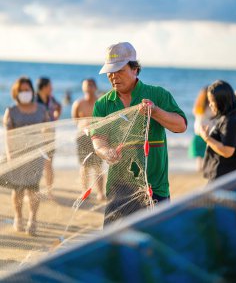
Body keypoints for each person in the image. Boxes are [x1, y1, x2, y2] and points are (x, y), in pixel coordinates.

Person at [92, 42, 187, 225]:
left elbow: (180, 126)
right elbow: (98, 140)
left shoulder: (157, 94)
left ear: (135, 69)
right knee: (115, 246)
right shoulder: (103, 104)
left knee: (155, 246)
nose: (113, 76)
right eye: (110, 72)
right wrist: (105, 152)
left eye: (119, 70)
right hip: (118, 187)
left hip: (154, 188)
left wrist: (156, 111)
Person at [3, 77, 50, 236]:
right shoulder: (11, 110)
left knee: (33, 189)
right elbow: (8, 136)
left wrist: (46, 149)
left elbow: (48, 129)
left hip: (36, 156)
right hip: (17, 156)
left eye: (27, 90)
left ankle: (33, 219)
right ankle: (18, 216)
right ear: (16, 92)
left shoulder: (41, 109)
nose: (25, 93)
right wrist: (10, 156)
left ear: (32, 91)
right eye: (21, 90)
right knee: (18, 189)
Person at [199, 80, 236, 182]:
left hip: (224, 177)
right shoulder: (230, 116)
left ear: (221, 101)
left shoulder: (231, 120)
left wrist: (206, 138)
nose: (210, 105)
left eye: (212, 101)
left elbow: (228, 151)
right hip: (223, 175)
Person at [72, 79, 105, 200]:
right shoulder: (78, 103)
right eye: (87, 85)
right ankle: (84, 191)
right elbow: (75, 119)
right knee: (84, 165)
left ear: (95, 87)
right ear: (83, 87)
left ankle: (101, 192)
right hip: (82, 137)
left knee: (97, 166)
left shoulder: (100, 102)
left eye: (91, 85)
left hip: (98, 137)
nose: (89, 88)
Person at [36, 77, 62, 199]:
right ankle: (31, 191)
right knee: (35, 164)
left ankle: (49, 190)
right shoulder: (34, 100)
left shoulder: (51, 98)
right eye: (50, 86)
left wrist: (56, 116)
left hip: (51, 135)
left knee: (49, 163)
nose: (51, 88)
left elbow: (59, 106)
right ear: (44, 87)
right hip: (37, 136)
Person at [188, 87, 215, 171]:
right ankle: (205, 168)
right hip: (207, 130)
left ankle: (199, 168)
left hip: (198, 131)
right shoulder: (209, 107)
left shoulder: (198, 106)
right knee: (206, 152)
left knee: (200, 155)